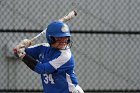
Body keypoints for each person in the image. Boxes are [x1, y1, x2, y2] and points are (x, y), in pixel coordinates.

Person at [13, 21, 84, 93]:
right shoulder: (43, 47)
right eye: (59, 38)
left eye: (65, 37)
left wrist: (22, 55)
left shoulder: (65, 56)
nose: (63, 41)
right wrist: (20, 48)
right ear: (50, 38)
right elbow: (20, 53)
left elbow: (41, 69)